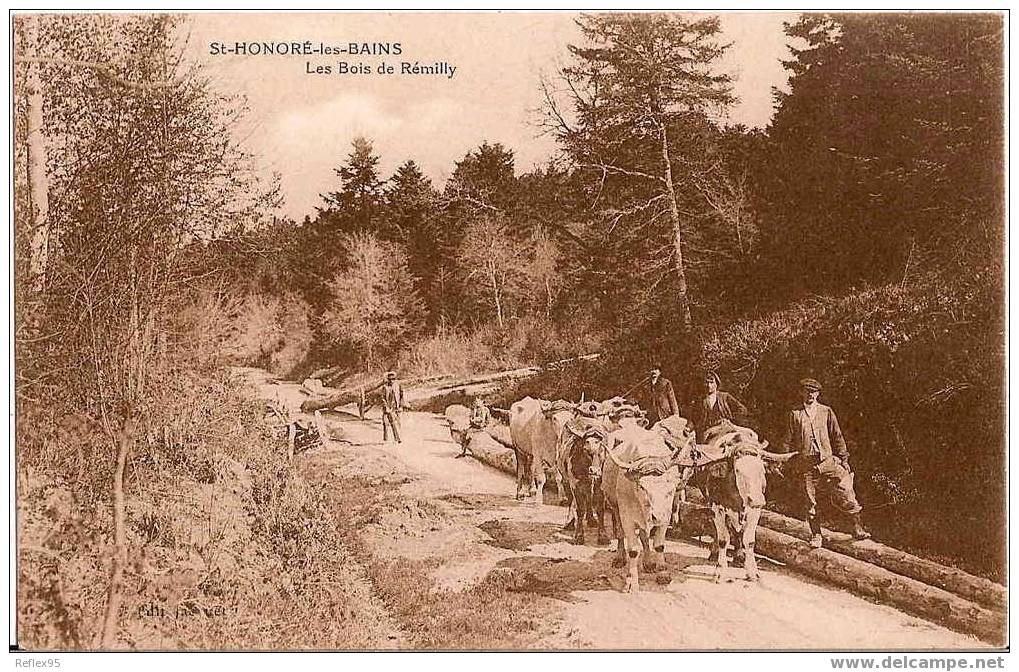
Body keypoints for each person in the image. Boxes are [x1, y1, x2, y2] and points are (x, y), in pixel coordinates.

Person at [781, 377, 871, 548]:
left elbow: (837, 436)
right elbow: (787, 439)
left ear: (818, 394)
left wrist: (844, 459)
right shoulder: (794, 414)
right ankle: (816, 535)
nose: (810, 395)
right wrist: (783, 461)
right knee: (810, 501)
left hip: (828, 461)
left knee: (846, 490)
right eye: (807, 391)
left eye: (813, 392)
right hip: (806, 464)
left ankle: (857, 528)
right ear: (801, 393)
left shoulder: (826, 411)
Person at [695, 371, 749, 439]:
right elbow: (693, 418)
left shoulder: (724, 397)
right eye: (707, 382)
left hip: (724, 428)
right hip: (708, 431)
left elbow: (742, 409)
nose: (709, 385)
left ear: (716, 384)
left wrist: (731, 420)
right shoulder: (700, 401)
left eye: (711, 382)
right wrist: (688, 428)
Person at [381, 371, 403, 444]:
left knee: (395, 423)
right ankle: (385, 439)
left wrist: (400, 405)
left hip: (395, 407)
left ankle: (398, 438)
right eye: (390, 379)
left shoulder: (398, 386)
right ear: (388, 380)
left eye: (393, 379)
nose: (392, 381)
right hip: (387, 408)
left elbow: (401, 396)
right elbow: (382, 398)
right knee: (385, 423)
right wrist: (386, 407)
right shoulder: (385, 387)